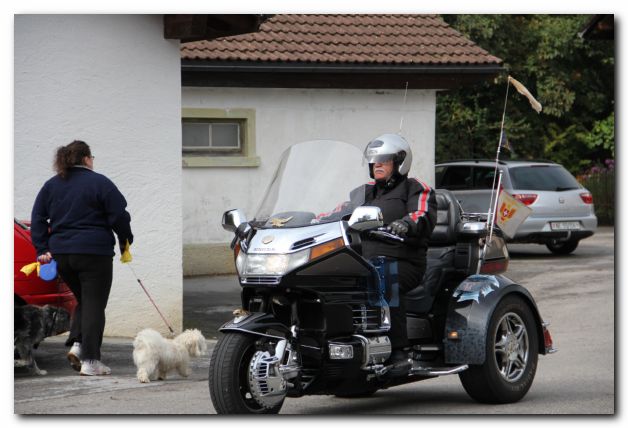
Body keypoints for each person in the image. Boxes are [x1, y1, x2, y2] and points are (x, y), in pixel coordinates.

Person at [30, 140, 133, 376]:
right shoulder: (100, 183)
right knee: (95, 304)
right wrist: (125, 239)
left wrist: (41, 248)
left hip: (62, 255)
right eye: (92, 157)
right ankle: (91, 360)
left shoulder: (52, 185)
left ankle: (78, 345)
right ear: (86, 158)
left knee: (85, 301)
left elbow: (37, 218)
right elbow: (119, 215)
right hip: (94, 254)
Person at [357, 133, 436, 375]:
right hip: (365, 260)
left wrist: (406, 223)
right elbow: (339, 211)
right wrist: (310, 220)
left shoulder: (415, 188)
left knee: (383, 276)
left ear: (400, 162)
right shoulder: (365, 192)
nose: (377, 164)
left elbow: (421, 214)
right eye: (373, 161)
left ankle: (399, 352)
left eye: (383, 160)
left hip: (405, 262)